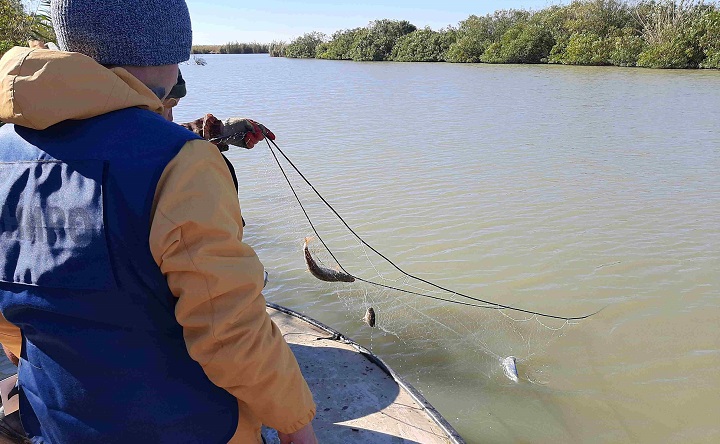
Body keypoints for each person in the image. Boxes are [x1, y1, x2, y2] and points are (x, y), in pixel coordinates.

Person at [0, 0, 317, 443]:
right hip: (187, 427)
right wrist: (296, 425)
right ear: (168, 48)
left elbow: (11, 318)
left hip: (56, 422)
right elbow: (230, 331)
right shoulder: (184, 163)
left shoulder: (5, 148)